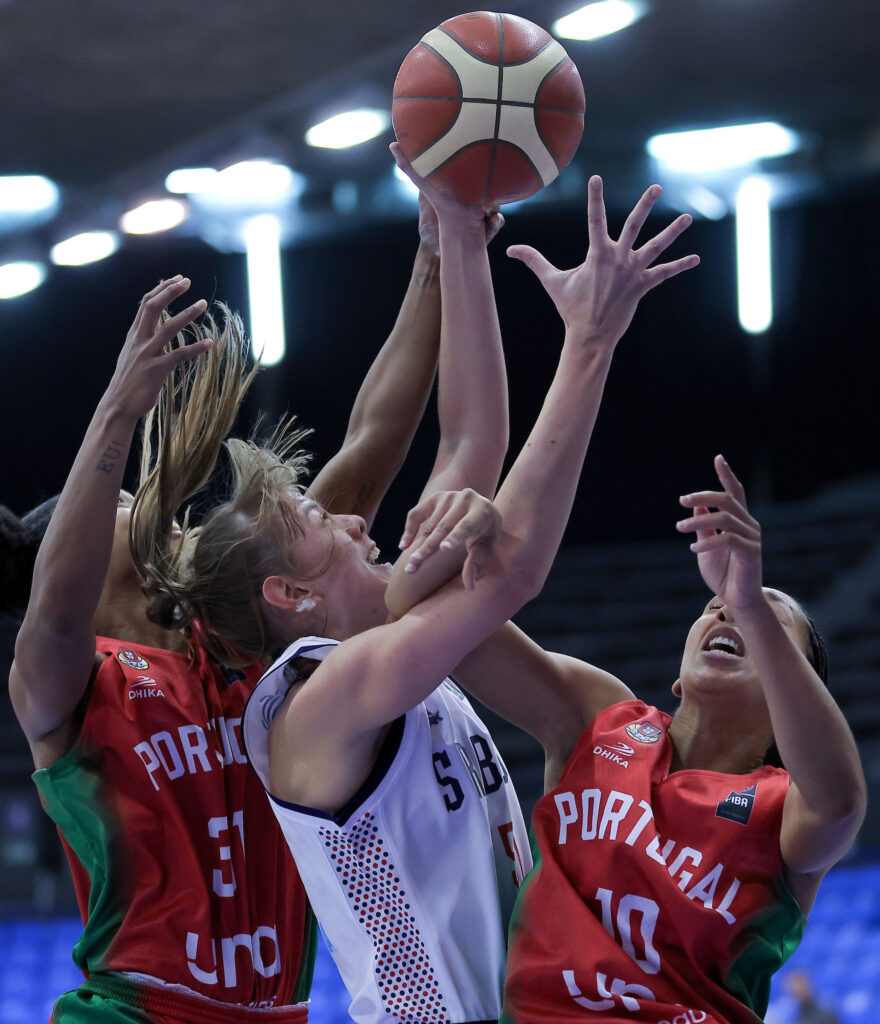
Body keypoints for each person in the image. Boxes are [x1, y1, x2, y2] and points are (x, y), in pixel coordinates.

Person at [145, 168, 698, 1024]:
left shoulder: (409, 632)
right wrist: (588, 343)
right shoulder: (313, 709)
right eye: (319, 522)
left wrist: (457, 233)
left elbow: (471, 437)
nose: (356, 521)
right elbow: (511, 572)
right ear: (290, 592)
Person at [7, 199, 460, 1022]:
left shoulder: (253, 642)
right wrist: (118, 413)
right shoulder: (64, 693)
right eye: (130, 519)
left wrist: (435, 251)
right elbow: (58, 614)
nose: (162, 522)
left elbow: (372, 444)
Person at [440, 471, 866, 1015]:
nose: (729, 608)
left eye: (771, 627)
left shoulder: (787, 814)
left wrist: (754, 607)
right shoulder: (600, 718)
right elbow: (454, 628)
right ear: (677, 678)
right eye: (716, 606)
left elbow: (841, 801)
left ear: (793, 696)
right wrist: (459, 537)